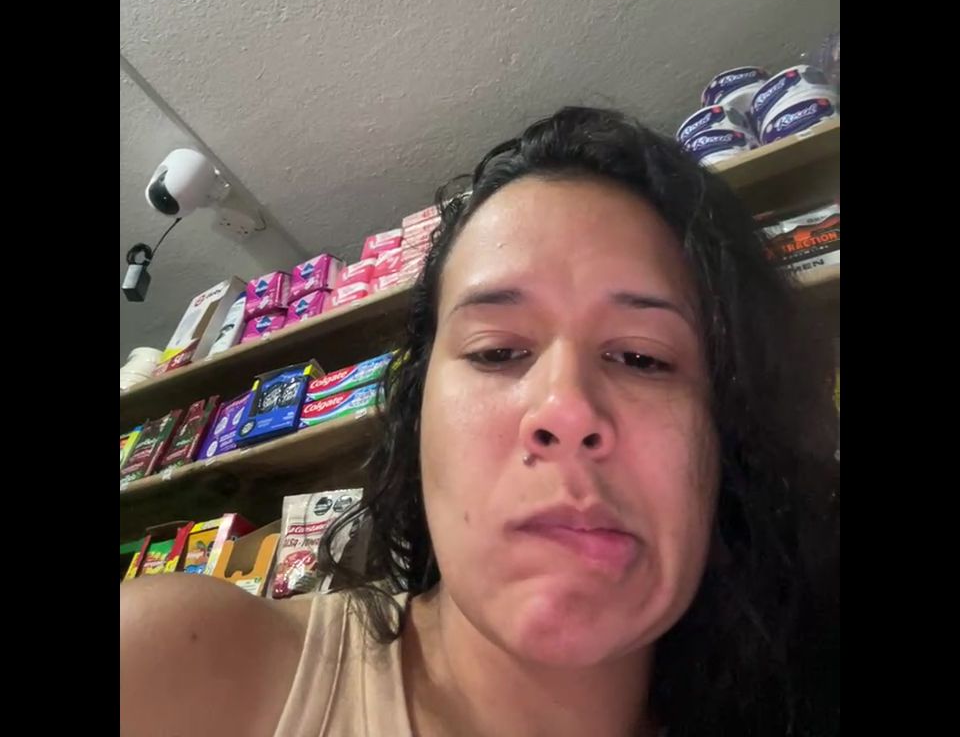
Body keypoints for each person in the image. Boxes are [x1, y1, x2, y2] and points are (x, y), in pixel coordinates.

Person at [121, 106, 840, 737]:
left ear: (729, 440)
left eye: (642, 358)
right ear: (416, 421)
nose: (565, 409)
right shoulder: (172, 667)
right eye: (497, 351)